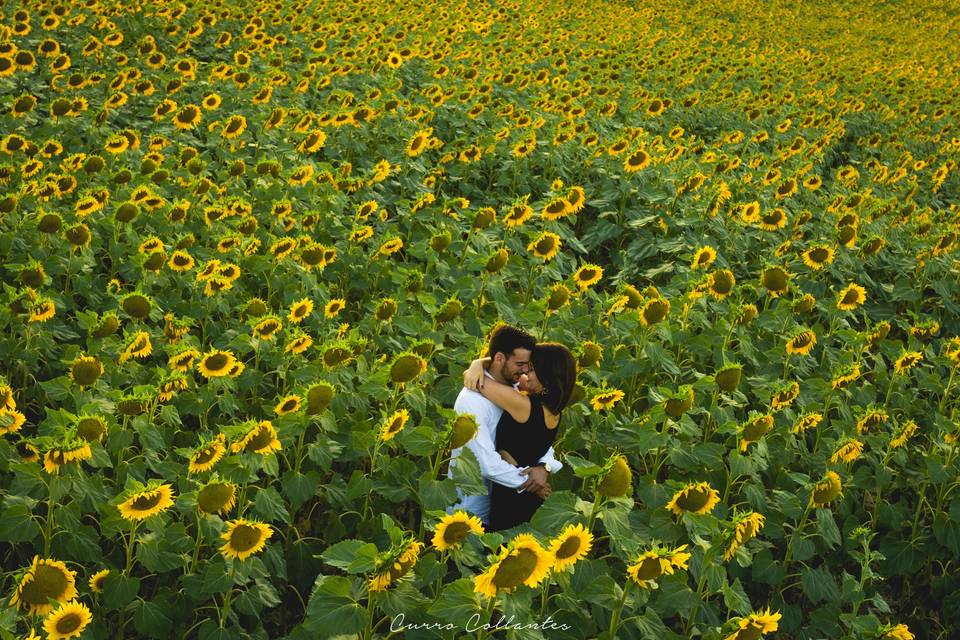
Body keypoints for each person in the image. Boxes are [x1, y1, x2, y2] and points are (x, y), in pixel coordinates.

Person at [447, 325, 561, 527]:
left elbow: (539, 435)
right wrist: (532, 484)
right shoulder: (472, 401)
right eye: (520, 363)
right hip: (472, 507)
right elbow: (485, 463)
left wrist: (545, 466)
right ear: (499, 359)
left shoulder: (517, 386)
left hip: (506, 502)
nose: (525, 371)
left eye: (528, 365)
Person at [463, 342, 577, 531]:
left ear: (546, 377)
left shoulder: (523, 405)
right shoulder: (554, 411)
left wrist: (476, 365)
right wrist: (544, 468)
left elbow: (476, 381)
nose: (525, 375)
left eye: (532, 370)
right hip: (530, 491)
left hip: (511, 494)